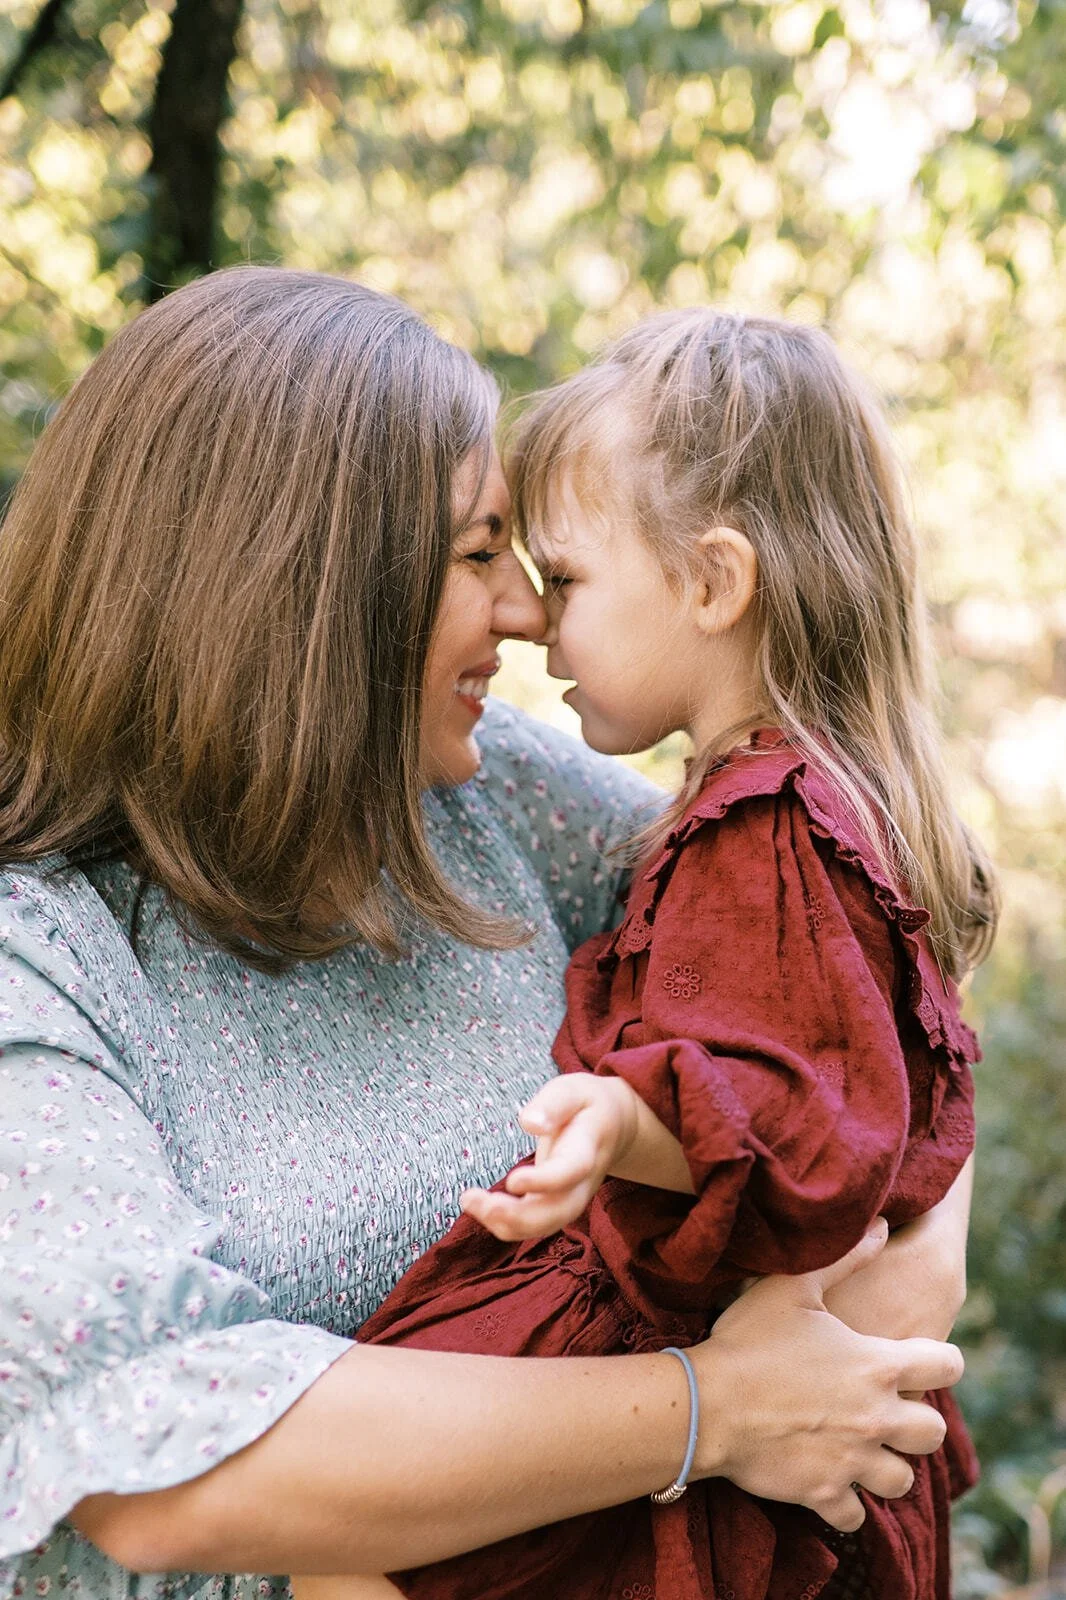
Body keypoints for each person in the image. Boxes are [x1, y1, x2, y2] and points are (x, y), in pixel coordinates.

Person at [0, 268, 970, 1600]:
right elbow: (167, 1466)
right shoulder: (36, 957)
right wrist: (716, 1408)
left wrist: (906, 1273)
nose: (523, 611)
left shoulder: (475, 792)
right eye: (475, 556)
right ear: (304, 592)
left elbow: (854, 969)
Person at [301, 310, 996, 1600]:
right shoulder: (804, 811)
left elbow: (799, 1127)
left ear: (712, 583)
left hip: (712, 1371)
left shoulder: (764, 833)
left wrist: (624, 1121)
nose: (535, 625)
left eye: (565, 580)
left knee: (352, 1562)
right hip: (761, 1374)